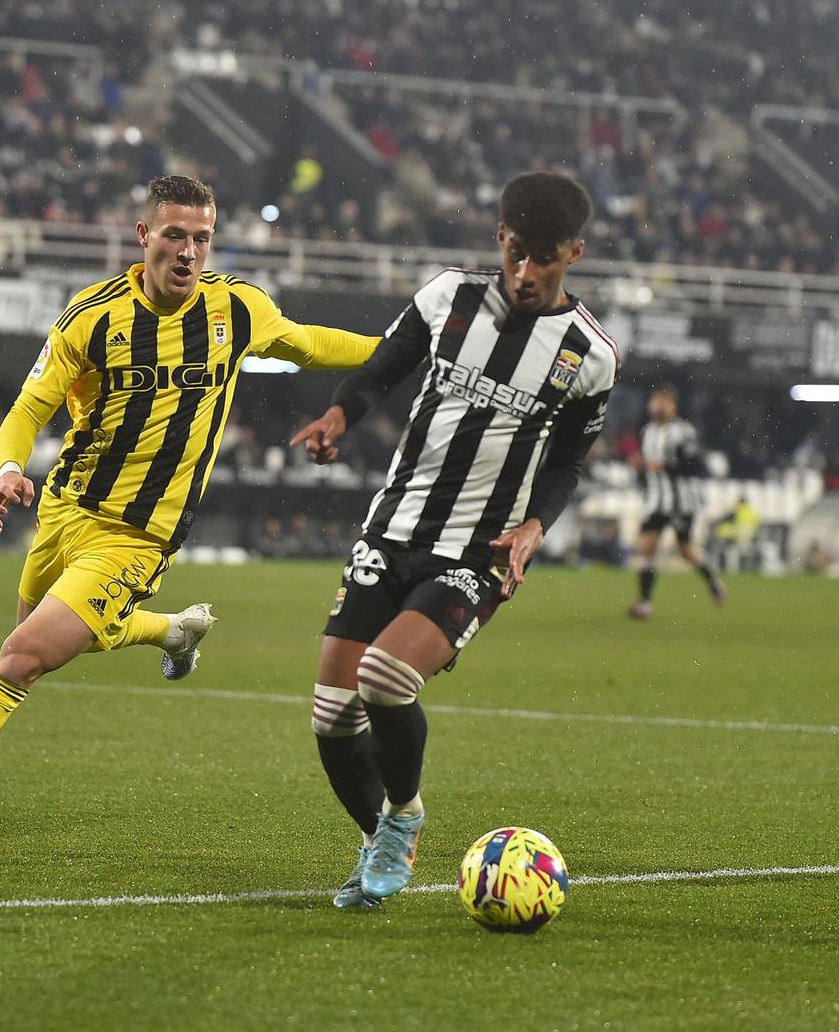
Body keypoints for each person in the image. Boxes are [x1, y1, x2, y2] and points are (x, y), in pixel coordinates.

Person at [0, 174, 380, 833]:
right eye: (174, 235)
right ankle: (171, 630)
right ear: (144, 235)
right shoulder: (92, 316)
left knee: (19, 658)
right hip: (63, 511)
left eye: (202, 238)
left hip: (136, 537)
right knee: (49, 639)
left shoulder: (236, 309)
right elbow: (28, 409)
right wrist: (10, 468)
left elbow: (310, 344)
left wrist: (398, 354)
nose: (188, 251)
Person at [289, 171, 620, 906]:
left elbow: (567, 462)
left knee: (384, 678)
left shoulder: (590, 355)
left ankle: (403, 815)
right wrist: (340, 416)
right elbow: (380, 371)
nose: (524, 272)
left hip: (478, 552)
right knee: (332, 716)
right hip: (392, 528)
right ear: (499, 238)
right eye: (514, 251)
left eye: (543, 258)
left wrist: (536, 525)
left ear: (573, 253)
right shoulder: (447, 297)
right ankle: (379, 838)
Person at [628, 384, 725, 619]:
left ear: (673, 406)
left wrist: (667, 466)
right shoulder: (647, 432)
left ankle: (713, 580)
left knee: (686, 550)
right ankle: (644, 602)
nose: (659, 406)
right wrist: (640, 468)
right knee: (646, 546)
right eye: (656, 401)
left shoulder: (683, 432)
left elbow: (696, 464)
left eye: (664, 402)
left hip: (681, 501)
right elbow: (649, 468)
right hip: (656, 501)